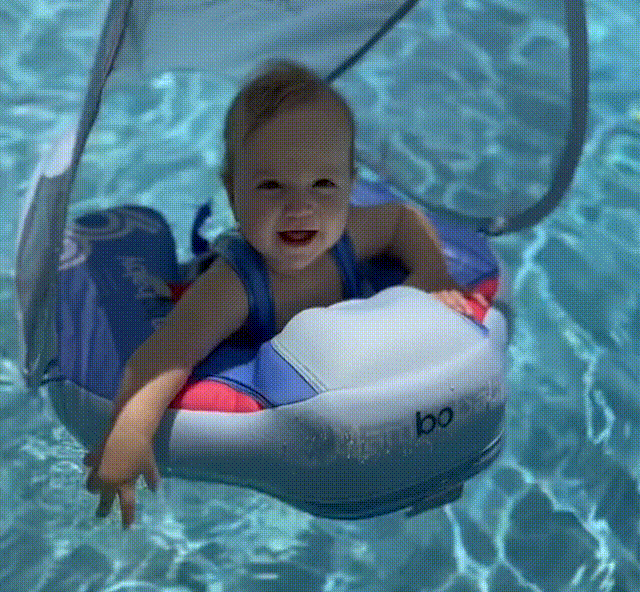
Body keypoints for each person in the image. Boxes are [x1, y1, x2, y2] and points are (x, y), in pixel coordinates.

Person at [85, 59, 488, 529]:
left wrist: (432, 273)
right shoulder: (233, 286)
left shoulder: (348, 237)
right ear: (233, 193)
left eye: (323, 184)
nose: (300, 206)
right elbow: (162, 356)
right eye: (271, 185)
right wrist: (132, 431)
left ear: (351, 187)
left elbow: (404, 220)